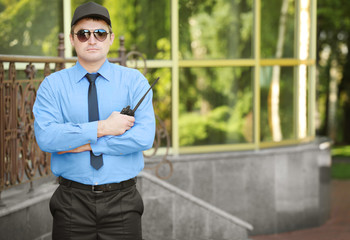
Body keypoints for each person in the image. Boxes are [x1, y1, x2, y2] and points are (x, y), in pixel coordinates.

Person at [33, 2, 155, 239]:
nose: (92, 40)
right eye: (83, 33)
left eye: (100, 33)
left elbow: (143, 137)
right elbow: (47, 138)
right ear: (72, 39)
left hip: (123, 202)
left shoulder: (134, 82)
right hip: (70, 203)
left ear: (110, 39)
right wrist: (104, 127)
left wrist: (89, 143)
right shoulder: (52, 86)